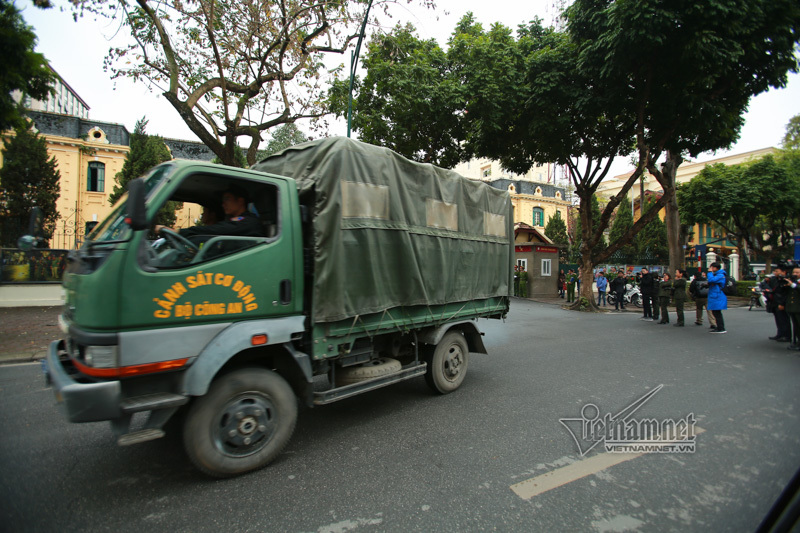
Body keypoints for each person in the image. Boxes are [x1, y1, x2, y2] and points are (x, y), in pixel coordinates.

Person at [156, 185, 262, 239]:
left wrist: (178, 232)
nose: (223, 204)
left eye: (227, 199)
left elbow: (216, 230)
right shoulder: (234, 220)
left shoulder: (248, 221)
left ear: (240, 201)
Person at [764, 264, 792, 342]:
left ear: (783, 272)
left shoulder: (786, 280)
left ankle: (787, 336)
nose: (775, 272)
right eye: (775, 271)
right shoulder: (774, 279)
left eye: (777, 271)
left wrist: (783, 303)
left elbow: (786, 293)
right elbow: (768, 286)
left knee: (784, 319)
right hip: (774, 301)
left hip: (782, 301)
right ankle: (780, 334)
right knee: (778, 319)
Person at [706, 262, 728, 334]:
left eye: (711, 267)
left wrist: (709, 272)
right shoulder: (717, 275)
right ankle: (719, 327)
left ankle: (721, 328)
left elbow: (711, 280)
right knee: (715, 312)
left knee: (717, 312)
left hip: (717, 296)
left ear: (715, 268)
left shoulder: (720, 275)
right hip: (715, 295)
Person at [786, 265, 800, 351]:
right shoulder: (793, 281)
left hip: (798, 308)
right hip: (792, 308)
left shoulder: (795, 284)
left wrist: (793, 285)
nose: (795, 274)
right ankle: (796, 341)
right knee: (796, 326)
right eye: (794, 272)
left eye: (797, 272)